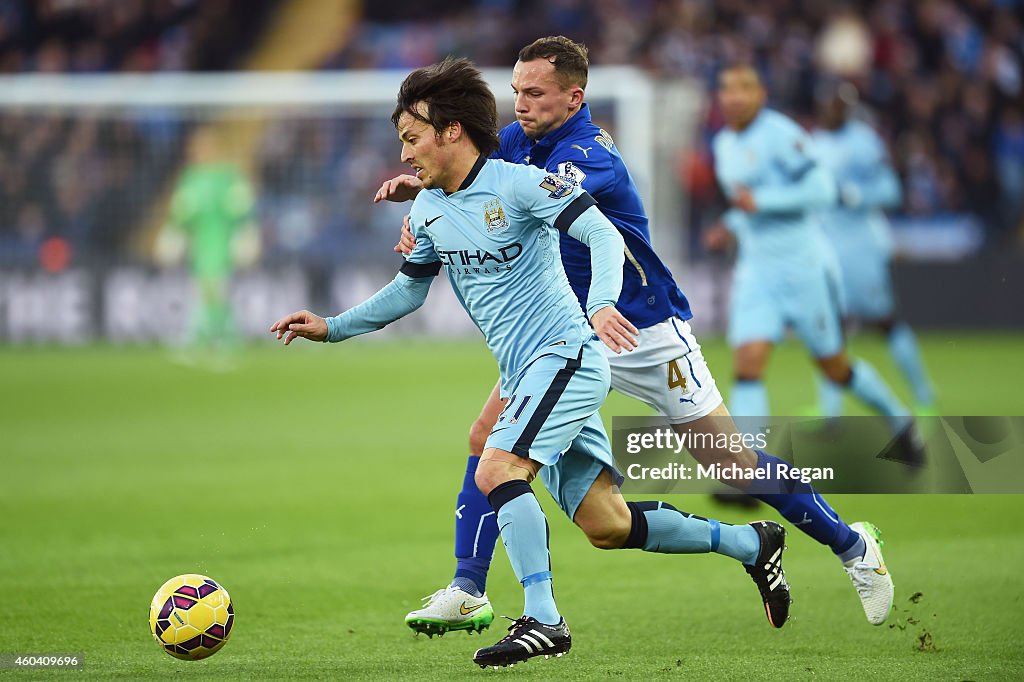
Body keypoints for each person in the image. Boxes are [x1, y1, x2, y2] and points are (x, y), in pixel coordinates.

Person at [275, 57, 792, 668]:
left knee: (496, 468)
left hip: (567, 356)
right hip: (529, 373)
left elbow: (603, 235)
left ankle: (542, 620)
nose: (406, 154)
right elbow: (409, 291)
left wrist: (600, 305)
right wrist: (332, 327)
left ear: (450, 132)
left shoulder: (519, 183)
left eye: (412, 139)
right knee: (606, 525)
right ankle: (751, 542)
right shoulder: (428, 211)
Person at [377, 38, 891, 632]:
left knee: (733, 467)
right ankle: (468, 587)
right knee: (495, 443)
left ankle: (852, 546)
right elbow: (476, 182)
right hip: (565, 333)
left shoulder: (590, 153)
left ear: (575, 97)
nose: (519, 104)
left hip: (639, 326)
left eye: (535, 93)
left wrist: (439, 190)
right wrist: (429, 193)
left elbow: (524, 195)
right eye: (515, 90)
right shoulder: (518, 140)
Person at [704, 65, 924, 451]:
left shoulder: (782, 135)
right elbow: (746, 202)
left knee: (835, 368)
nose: (734, 97)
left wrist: (762, 203)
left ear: (761, 96)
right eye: (727, 89)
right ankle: (749, 470)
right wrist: (730, 223)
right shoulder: (723, 144)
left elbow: (822, 190)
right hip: (757, 271)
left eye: (744, 89)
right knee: (747, 364)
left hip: (803, 268)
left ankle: (900, 421)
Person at [812, 85, 936, 417]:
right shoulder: (816, 144)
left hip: (861, 245)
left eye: (839, 105)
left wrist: (856, 195)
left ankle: (924, 394)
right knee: (829, 326)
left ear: (848, 109)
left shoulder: (865, 142)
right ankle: (830, 411)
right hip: (828, 246)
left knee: (884, 320)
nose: (832, 111)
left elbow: (891, 190)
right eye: (828, 104)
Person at [156, 127, 258, 359]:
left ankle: (209, 340)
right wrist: (173, 235)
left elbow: (242, 209)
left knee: (214, 291)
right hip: (199, 245)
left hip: (221, 243)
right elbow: (181, 213)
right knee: (206, 293)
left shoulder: (229, 177)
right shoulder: (190, 178)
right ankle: (220, 339)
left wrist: (246, 235)